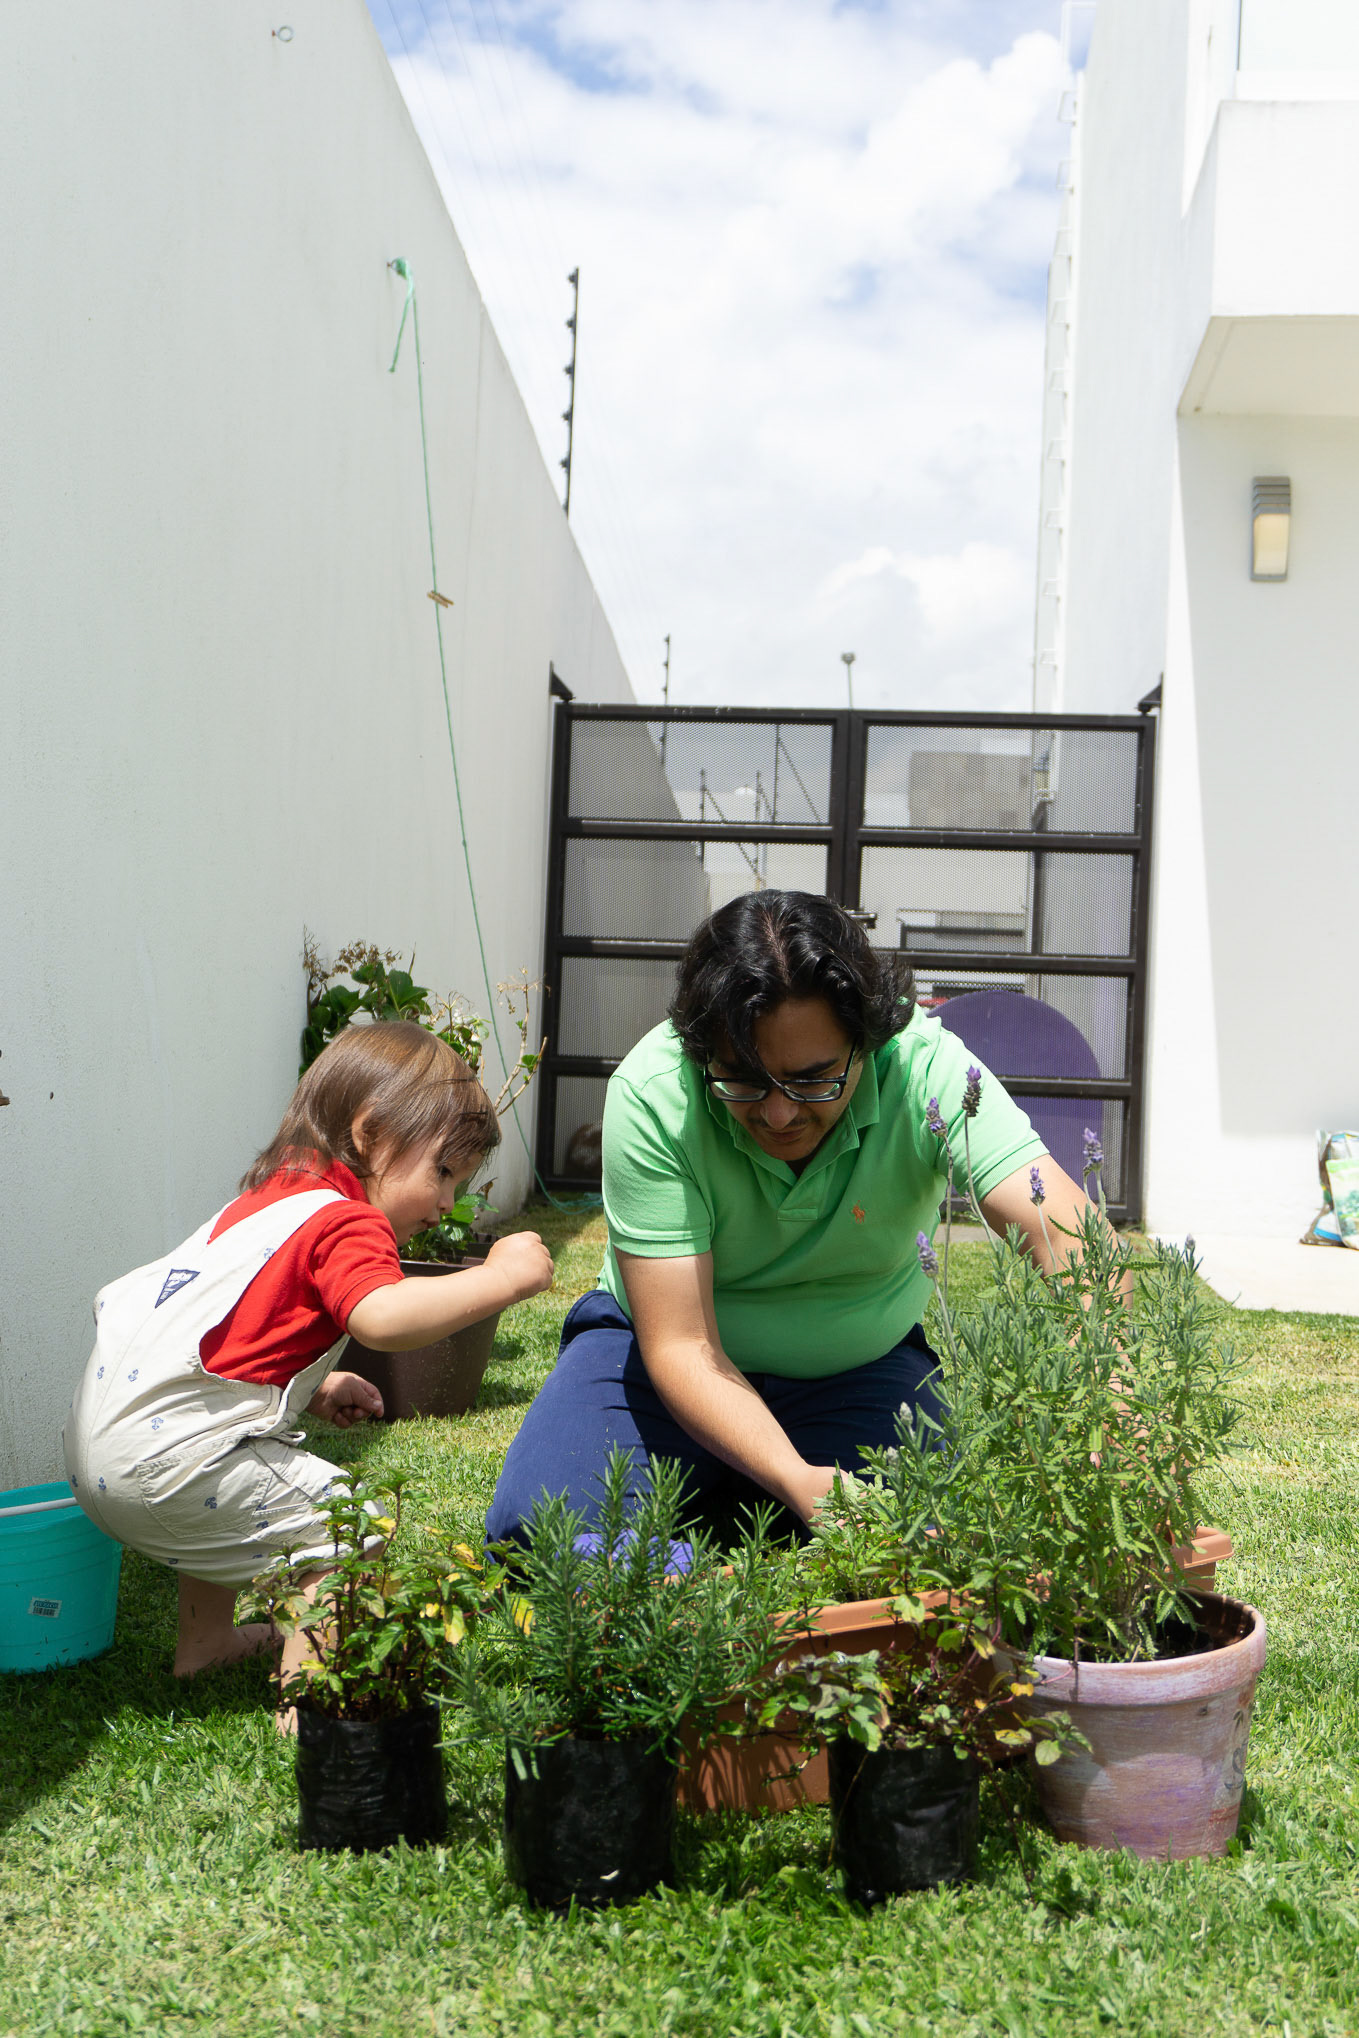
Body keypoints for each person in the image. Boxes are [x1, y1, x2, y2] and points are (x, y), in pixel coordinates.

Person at [487, 890, 1098, 1544]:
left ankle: (724, 1489)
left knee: (929, 1533)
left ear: (867, 1042)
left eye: (812, 1081)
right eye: (742, 1079)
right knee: (539, 1527)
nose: (778, 1115)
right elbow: (682, 1346)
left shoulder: (925, 1066)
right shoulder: (655, 1089)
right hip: (652, 1356)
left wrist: (1103, 1388)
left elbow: (1062, 1230)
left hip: (858, 1370)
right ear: (700, 1052)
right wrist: (792, 1476)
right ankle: (742, 1480)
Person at [64, 1022, 554, 1678]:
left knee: (246, 1467)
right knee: (352, 1526)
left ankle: (206, 1648)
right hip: (168, 1465)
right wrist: (498, 1280)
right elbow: (381, 1317)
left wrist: (312, 1386)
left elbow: (232, 1333)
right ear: (372, 1131)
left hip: (101, 1453)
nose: (445, 1204)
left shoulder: (270, 1201)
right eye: (442, 1172)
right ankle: (312, 1703)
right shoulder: (348, 1219)